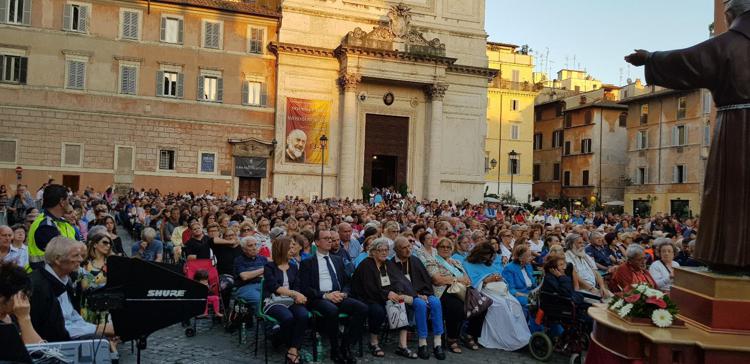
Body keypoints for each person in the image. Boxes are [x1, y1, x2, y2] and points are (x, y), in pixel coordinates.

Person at [625, 0, 750, 271]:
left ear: (733, 14)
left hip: (737, 127)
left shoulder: (728, 44)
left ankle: (732, 258)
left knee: (731, 191)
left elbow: (688, 60)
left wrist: (649, 58)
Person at [295, 229, 367, 364]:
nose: (330, 240)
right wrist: (326, 296)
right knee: (332, 310)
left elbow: (347, 282)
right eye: (326, 238)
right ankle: (335, 349)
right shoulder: (308, 263)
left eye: (331, 238)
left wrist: (344, 293)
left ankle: (345, 346)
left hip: (338, 296)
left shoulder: (338, 259)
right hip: (319, 299)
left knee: (362, 308)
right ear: (316, 242)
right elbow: (305, 289)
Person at [29, 236, 115, 342]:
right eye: (75, 255)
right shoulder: (37, 286)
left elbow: (73, 317)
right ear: (57, 260)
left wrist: (101, 328)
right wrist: (100, 329)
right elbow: (56, 331)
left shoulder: (65, 279)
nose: (80, 259)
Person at [352, 238, 419, 360]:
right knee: (378, 311)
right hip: (368, 297)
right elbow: (368, 287)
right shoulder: (366, 264)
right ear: (373, 252)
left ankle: (402, 346)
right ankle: (374, 342)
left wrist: (398, 292)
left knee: (402, 305)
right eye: (380, 250)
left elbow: (399, 280)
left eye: (386, 250)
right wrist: (387, 294)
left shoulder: (387, 263)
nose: (384, 253)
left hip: (386, 296)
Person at [462, 243, 530, 351]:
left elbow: (499, 273)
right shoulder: (468, 263)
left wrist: (497, 277)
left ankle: (518, 337)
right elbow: (472, 282)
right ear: (479, 254)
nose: (488, 258)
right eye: (486, 255)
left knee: (514, 303)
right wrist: (486, 280)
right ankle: (501, 338)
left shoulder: (489, 263)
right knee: (500, 305)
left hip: (498, 290)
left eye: (490, 255)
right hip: (482, 290)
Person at [392, 237, 445, 360]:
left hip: (422, 292)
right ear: (396, 250)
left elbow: (425, 279)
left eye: (409, 247)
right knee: (420, 305)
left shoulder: (415, 260)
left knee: (436, 302)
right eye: (403, 248)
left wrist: (426, 294)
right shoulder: (391, 264)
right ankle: (422, 343)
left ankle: (438, 343)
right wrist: (416, 295)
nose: (407, 250)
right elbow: (396, 285)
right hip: (406, 296)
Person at [262, 236, 309, 364]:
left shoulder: (293, 266)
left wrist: (299, 296)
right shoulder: (269, 266)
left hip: (291, 300)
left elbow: (297, 285)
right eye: (290, 247)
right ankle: (283, 342)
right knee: (288, 318)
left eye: (294, 247)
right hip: (273, 301)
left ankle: (292, 349)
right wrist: (294, 294)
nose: (293, 250)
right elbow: (273, 286)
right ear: (282, 249)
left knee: (303, 315)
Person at [27, 184, 77, 271]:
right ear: (62, 202)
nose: (70, 202)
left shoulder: (63, 222)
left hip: (58, 275)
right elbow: (63, 256)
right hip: (45, 278)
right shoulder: (46, 227)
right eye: (68, 199)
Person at [0, 261, 43, 344]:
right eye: (22, 297)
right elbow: (35, 352)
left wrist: (24, 318)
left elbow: (41, 351)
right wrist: (24, 318)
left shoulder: (13, 316)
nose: (26, 302)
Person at [564, 234, 610, 298]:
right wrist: (591, 289)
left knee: (613, 298)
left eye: (583, 243)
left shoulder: (585, 255)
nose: (582, 245)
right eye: (579, 243)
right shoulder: (567, 257)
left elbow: (596, 273)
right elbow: (576, 277)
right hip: (582, 290)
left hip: (594, 288)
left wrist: (602, 287)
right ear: (571, 245)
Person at [501, 244, 538, 315]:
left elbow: (534, 283)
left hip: (531, 293)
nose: (531, 258)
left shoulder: (528, 265)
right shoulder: (509, 268)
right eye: (528, 256)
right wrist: (526, 296)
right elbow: (510, 289)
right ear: (520, 258)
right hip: (519, 295)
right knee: (536, 304)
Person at [233, 236, 266, 308]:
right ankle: (260, 318)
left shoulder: (263, 259)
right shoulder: (239, 260)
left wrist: (252, 274)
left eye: (255, 245)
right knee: (259, 300)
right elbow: (245, 276)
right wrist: (263, 270)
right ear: (244, 249)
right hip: (245, 287)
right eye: (250, 246)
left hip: (264, 285)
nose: (254, 248)